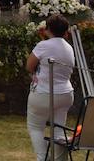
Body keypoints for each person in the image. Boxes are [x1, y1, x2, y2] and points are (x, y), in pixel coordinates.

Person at [25, 14, 75, 161]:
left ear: (47, 29)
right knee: (59, 129)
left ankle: (43, 158)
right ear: (66, 32)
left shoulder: (43, 45)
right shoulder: (69, 47)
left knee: (35, 126)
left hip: (43, 93)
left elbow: (29, 66)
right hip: (66, 93)